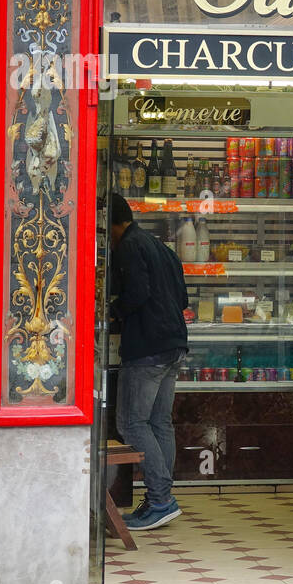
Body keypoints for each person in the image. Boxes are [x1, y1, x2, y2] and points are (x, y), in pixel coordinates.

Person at [109, 193, 189, 530]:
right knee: (160, 423)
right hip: (174, 345)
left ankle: (159, 499)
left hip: (147, 348)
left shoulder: (128, 246)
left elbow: (137, 293)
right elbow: (183, 297)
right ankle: (161, 498)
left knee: (132, 423)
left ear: (111, 223)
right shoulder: (161, 247)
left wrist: (113, 312)